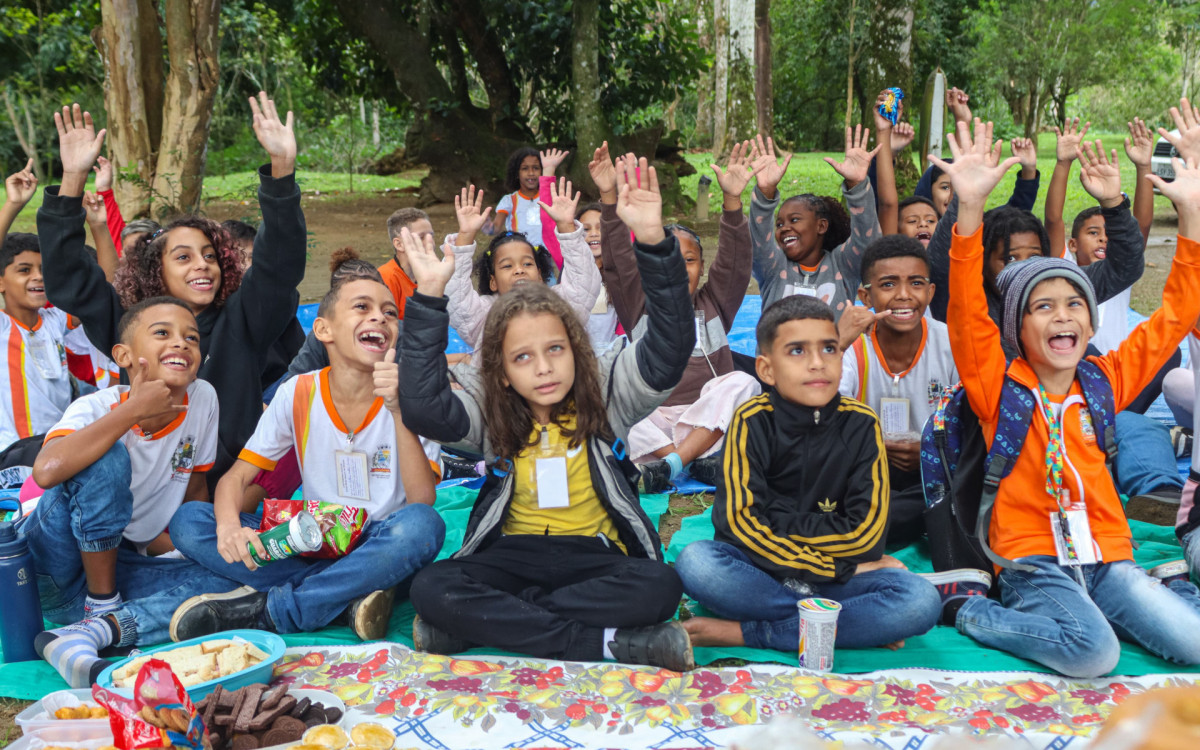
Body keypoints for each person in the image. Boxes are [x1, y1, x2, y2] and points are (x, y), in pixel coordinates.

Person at [399, 158, 696, 671]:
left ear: (576, 347)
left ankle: (497, 625)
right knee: (432, 587)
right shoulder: (490, 405)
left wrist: (654, 244)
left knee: (661, 586)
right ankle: (598, 644)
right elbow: (425, 407)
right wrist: (428, 298)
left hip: (595, 553)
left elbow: (669, 348)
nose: (543, 369)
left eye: (555, 349)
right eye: (522, 357)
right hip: (514, 552)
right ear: (501, 368)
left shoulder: (604, 388)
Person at [937, 117, 1200, 678]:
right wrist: (968, 212)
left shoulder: (1106, 380)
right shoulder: (997, 385)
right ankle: (974, 613)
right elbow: (964, 314)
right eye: (1043, 305)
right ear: (1017, 327)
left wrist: (1194, 215)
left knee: (1196, 644)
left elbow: (1175, 313)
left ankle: (1101, 608)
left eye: (1074, 303)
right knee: (1093, 653)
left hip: (1106, 558)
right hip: (1031, 560)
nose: (1063, 315)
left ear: (1090, 318)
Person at [168, 261, 444, 642]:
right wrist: (230, 527)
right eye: (362, 307)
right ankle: (347, 596)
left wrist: (398, 410)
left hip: (381, 541)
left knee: (423, 528)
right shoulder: (298, 391)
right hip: (312, 539)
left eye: (390, 312)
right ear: (323, 329)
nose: (379, 318)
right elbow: (237, 477)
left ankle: (277, 610)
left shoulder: (413, 394)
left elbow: (422, 500)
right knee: (189, 522)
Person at [38, 95, 306, 485]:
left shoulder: (244, 320)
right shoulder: (131, 322)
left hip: (223, 491)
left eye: (210, 256)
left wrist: (282, 170)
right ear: (155, 272)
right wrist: (73, 179)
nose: (202, 264)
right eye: (183, 257)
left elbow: (278, 267)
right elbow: (68, 276)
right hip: (142, 485)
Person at [674, 295, 954, 654]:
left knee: (918, 601)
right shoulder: (751, 420)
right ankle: (848, 624)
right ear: (766, 369)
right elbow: (740, 525)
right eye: (797, 351)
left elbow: (866, 535)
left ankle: (749, 633)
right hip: (765, 572)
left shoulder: (862, 424)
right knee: (698, 564)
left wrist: (780, 527)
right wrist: (838, 568)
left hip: (797, 574)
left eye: (830, 349)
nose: (818, 363)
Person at [22, 297, 240, 687]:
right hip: (53, 564)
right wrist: (132, 411)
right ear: (124, 355)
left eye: (192, 337)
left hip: (124, 565)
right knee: (108, 458)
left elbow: (195, 485)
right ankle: (101, 608)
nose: (181, 343)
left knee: (233, 576)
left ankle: (95, 632)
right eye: (162, 333)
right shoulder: (98, 407)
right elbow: (45, 470)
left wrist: (180, 551)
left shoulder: (203, 398)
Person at [589, 141, 758, 490]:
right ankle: (684, 462)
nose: (681, 268)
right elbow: (619, 259)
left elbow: (736, 262)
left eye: (691, 259)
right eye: (671, 258)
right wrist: (608, 196)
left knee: (746, 383)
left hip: (708, 421)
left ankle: (670, 464)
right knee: (605, 400)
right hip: (651, 422)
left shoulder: (715, 301)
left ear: (703, 268)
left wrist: (732, 203)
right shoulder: (637, 303)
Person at [838, 236, 958, 545]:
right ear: (866, 295)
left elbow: (971, 424)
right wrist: (836, 343)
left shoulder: (951, 345)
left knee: (953, 495)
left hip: (933, 473)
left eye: (916, 283)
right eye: (888, 285)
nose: (904, 296)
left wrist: (928, 452)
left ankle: (864, 527)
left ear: (930, 292)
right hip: (864, 471)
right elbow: (820, 414)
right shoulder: (852, 347)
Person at [443, 181, 601, 350]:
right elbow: (457, 299)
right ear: (493, 282)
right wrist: (465, 236)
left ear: (540, 275)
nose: (519, 270)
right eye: (507, 266)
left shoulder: (560, 305)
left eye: (527, 263)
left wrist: (566, 226)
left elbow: (583, 283)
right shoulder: (483, 315)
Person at [749, 130, 882, 319]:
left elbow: (867, 242)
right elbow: (758, 242)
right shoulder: (774, 268)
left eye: (794, 220)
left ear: (821, 226)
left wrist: (857, 185)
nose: (785, 227)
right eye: (779, 224)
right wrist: (765, 192)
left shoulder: (842, 265)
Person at [576, 201, 620, 349]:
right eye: (586, 229)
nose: (594, 233)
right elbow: (550, 229)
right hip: (579, 353)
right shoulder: (570, 269)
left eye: (601, 228)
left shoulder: (622, 272)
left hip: (613, 353)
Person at [381, 207, 433, 318]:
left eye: (431, 236)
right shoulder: (386, 278)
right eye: (421, 237)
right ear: (399, 244)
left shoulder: (432, 274)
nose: (430, 243)